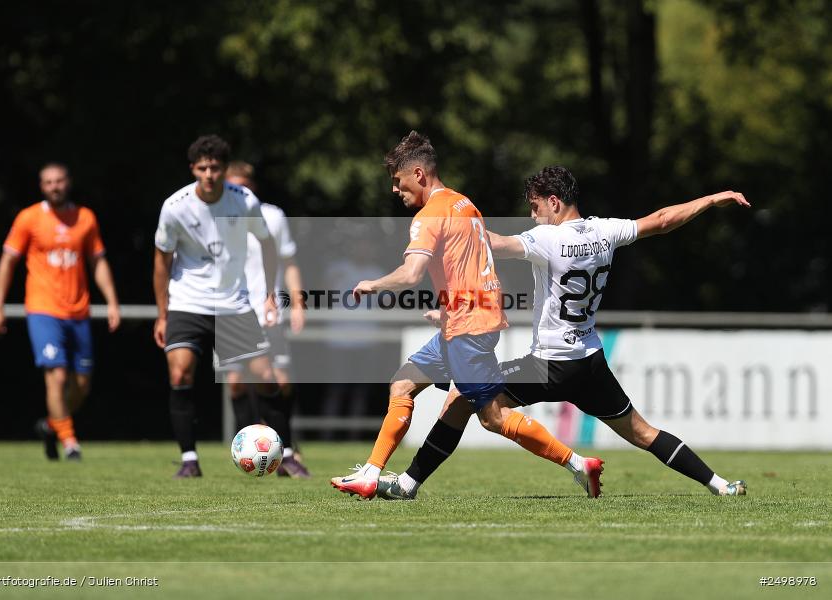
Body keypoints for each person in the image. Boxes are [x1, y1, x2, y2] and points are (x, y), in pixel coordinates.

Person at [377, 166, 750, 499]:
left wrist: (449, 221)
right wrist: (713, 198)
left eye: (535, 207)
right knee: (643, 433)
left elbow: (493, 244)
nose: (532, 215)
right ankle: (720, 485)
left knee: (461, 399)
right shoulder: (607, 230)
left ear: (554, 202)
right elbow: (665, 219)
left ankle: (408, 484)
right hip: (589, 363)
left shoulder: (548, 240)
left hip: (550, 365)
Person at [330, 132, 604, 500]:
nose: (396, 190)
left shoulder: (428, 217)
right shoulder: (464, 204)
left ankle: (577, 463)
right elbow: (475, 264)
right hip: (465, 320)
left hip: (468, 328)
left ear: (419, 174)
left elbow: (411, 274)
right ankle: (374, 472)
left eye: (398, 181)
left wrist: (373, 284)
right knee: (403, 383)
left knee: (493, 417)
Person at [153, 135, 303, 478]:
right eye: (202, 168)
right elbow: (161, 262)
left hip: (233, 303)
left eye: (215, 167)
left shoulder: (244, 201)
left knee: (265, 377)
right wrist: (163, 313)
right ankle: (189, 460)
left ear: (223, 169)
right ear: (193, 169)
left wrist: (267, 293)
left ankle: (288, 455)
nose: (209, 174)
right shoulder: (175, 207)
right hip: (187, 301)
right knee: (180, 372)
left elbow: (268, 245)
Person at [0, 162, 121, 461]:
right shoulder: (29, 218)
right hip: (43, 309)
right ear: (41, 186)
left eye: (59, 181)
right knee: (56, 377)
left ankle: (51, 426)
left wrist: (112, 301)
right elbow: (8, 262)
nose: (55, 187)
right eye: (49, 182)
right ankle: (70, 442)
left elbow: (97, 262)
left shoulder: (85, 218)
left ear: (68, 182)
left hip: (78, 312)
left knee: (82, 386)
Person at [221, 160, 310, 477]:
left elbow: (289, 262)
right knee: (236, 383)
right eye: (233, 184)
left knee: (279, 381)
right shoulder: (215, 217)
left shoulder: (272, 216)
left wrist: (297, 302)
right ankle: (248, 446)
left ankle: (286, 449)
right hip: (231, 313)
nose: (239, 189)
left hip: (268, 313)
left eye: (244, 183)